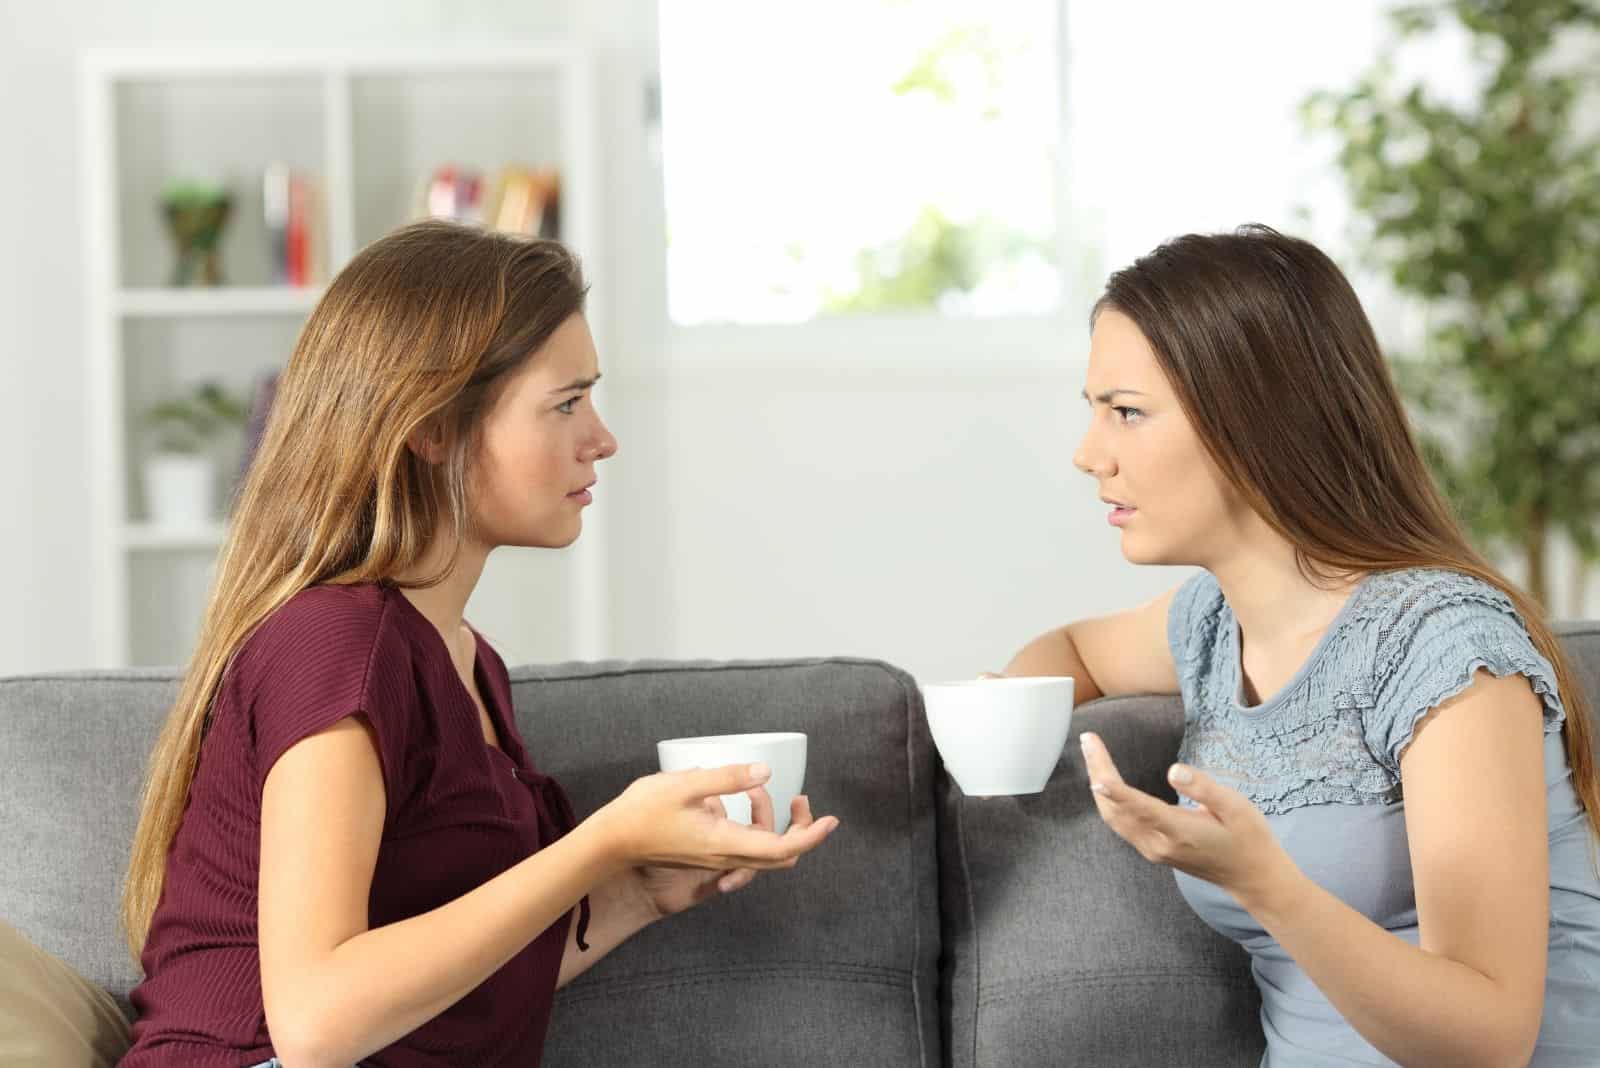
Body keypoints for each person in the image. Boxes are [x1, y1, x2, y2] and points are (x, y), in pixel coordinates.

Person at [118, 220, 839, 1068]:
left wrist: (638, 890)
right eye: (566, 402)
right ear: (430, 428)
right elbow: (315, 1023)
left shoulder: (464, 659)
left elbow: (453, 980)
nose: (600, 437)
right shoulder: (337, 641)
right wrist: (598, 843)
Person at [999, 225, 1600, 1066]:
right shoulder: (1210, 622)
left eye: (1126, 413)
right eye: (1094, 412)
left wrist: (1266, 885)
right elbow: (1075, 651)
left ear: (1252, 421)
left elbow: (1490, 1040)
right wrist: (997, 729)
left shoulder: (1445, 649)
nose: (1088, 454)